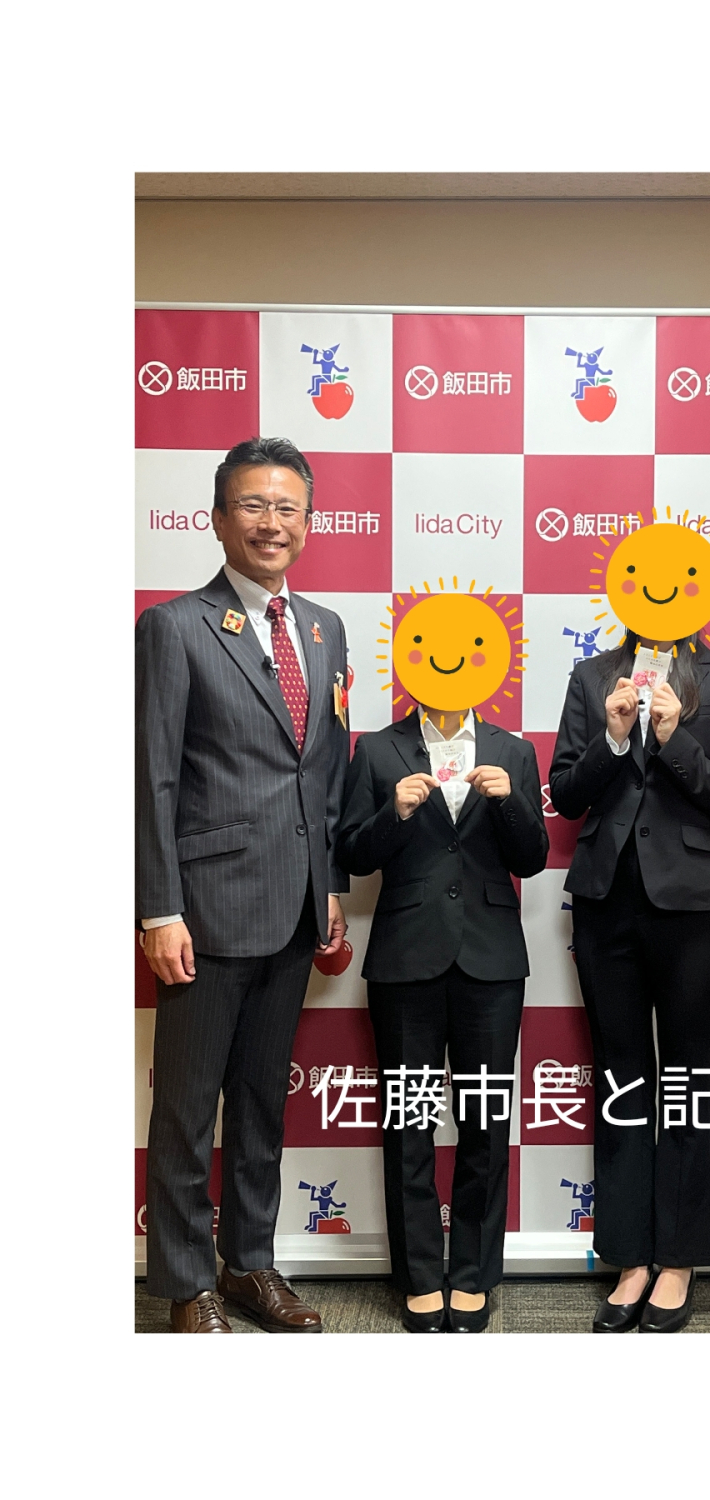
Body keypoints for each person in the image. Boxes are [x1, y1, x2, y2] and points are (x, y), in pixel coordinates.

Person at [136, 436, 350, 1333]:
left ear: (308, 521)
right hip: (207, 910)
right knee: (189, 1109)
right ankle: (185, 1284)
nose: (272, 523)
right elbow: (152, 778)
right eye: (253, 506)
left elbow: (325, 771)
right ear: (219, 519)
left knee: (263, 1101)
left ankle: (249, 1266)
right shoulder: (175, 627)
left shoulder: (324, 628)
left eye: (287, 507)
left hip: (297, 908)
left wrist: (330, 886)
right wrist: (159, 908)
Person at [550, 629, 710, 1332]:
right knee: (620, 1078)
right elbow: (565, 793)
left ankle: (679, 1257)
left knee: (689, 1076)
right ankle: (629, 1255)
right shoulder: (591, 677)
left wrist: (675, 740)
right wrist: (613, 739)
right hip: (606, 903)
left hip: (695, 907)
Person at [336, 699, 548, 1333]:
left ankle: (473, 1275)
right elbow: (353, 852)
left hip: (492, 961)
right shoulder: (378, 749)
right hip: (406, 960)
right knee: (410, 1126)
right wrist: (394, 812)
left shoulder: (513, 750)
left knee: (486, 1125)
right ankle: (421, 1277)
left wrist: (510, 801)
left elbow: (533, 857)